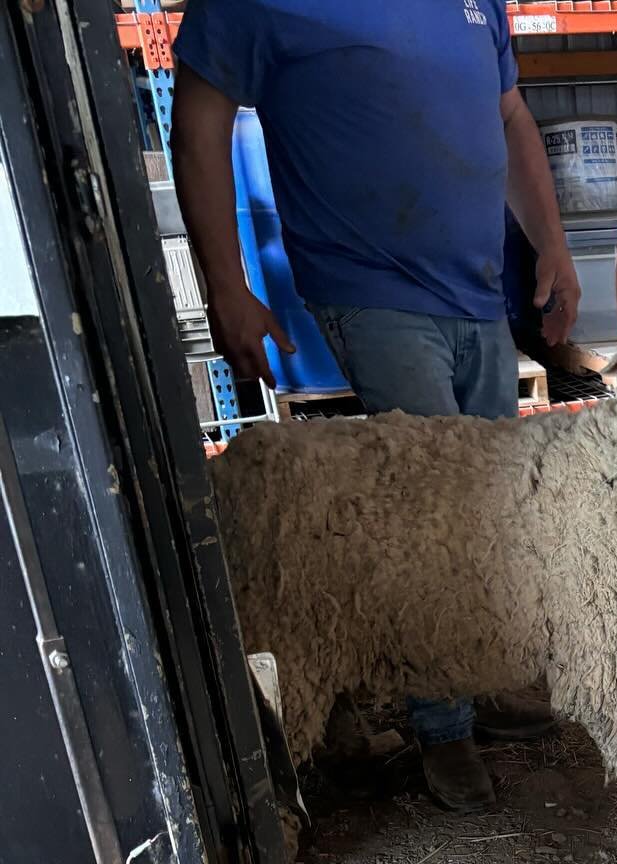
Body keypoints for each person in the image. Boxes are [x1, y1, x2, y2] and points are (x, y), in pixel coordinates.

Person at [172, 0, 580, 813]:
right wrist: (225, 285)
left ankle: (486, 678)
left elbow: (510, 120)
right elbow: (198, 115)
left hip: (477, 290)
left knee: (497, 507)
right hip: (373, 290)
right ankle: (443, 725)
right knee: (432, 519)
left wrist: (556, 246)